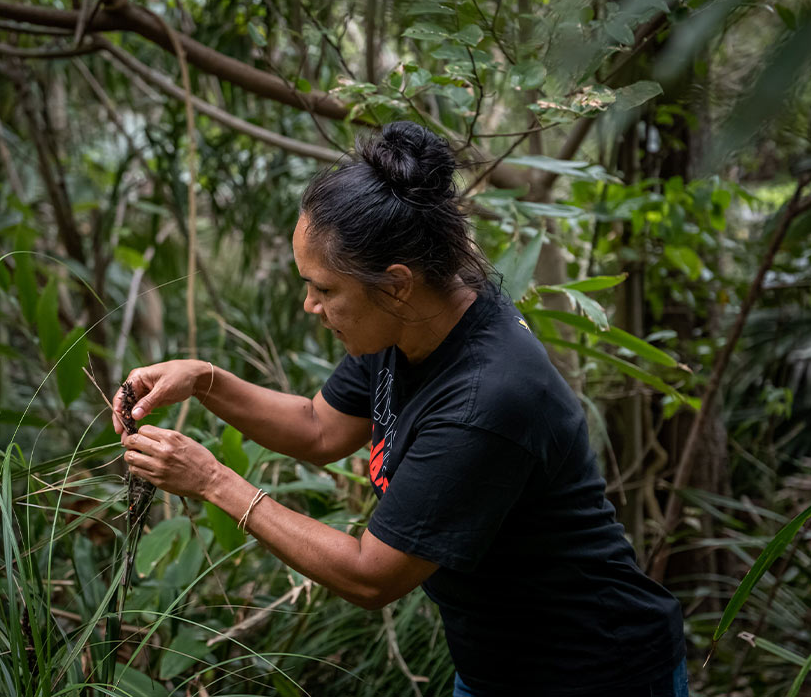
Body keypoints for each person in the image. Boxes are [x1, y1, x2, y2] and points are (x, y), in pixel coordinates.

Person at [114, 121, 688, 696]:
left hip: (594, 672)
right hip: (496, 667)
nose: (310, 304)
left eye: (325, 289)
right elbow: (319, 429)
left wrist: (214, 480)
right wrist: (204, 380)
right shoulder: (413, 324)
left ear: (396, 284)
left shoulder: (484, 399)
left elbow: (371, 576)